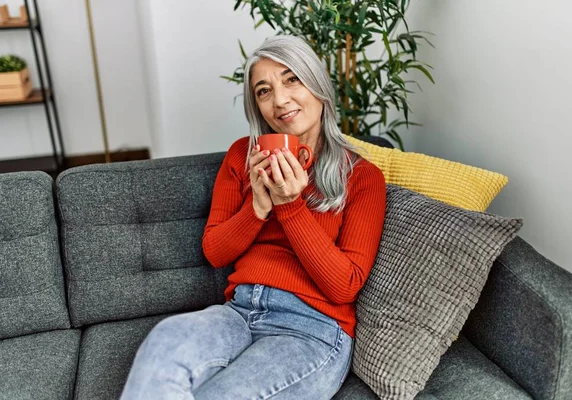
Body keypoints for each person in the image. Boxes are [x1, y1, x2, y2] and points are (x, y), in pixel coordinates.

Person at [120, 35, 386, 400]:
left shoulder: (362, 176)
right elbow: (215, 251)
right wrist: (259, 206)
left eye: (292, 79)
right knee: (164, 344)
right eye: (264, 91)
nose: (280, 100)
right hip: (239, 312)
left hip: (311, 329)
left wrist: (289, 206)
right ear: (257, 106)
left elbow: (345, 286)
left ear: (318, 85)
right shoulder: (242, 156)